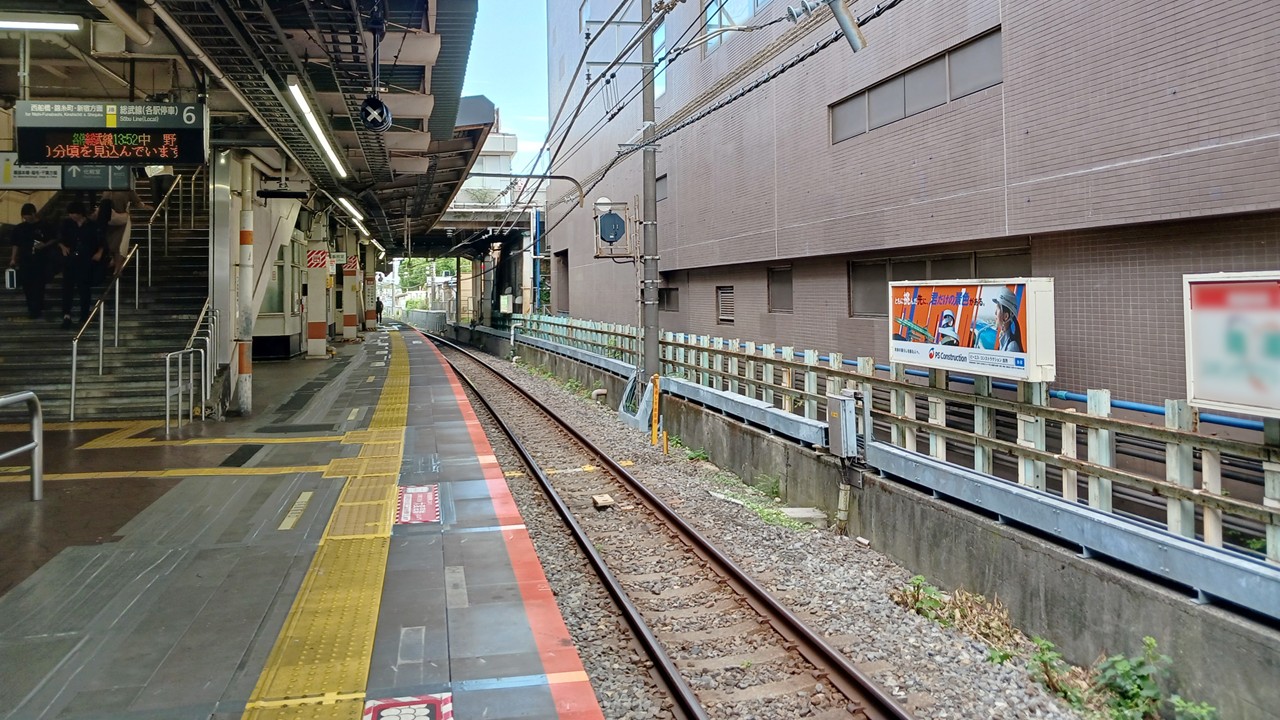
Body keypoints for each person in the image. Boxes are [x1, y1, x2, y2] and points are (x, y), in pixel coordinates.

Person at [58, 201, 107, 330]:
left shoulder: (92, 225)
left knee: (84, 288)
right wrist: (62, 246)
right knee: (67, 289)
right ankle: (66, 315)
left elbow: (101, 240)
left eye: (74, 214)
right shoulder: (67, 224)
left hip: (86, 260)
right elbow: (60, 238)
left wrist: (99, 252)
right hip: (70, 259)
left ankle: (84, 315)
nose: (72, 216)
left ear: (80, 213)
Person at [8, 202, 52, 319]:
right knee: (27, 285)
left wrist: (44, 245)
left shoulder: (44, 225)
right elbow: (15, 244)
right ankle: (32, 308)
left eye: (28, 216)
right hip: (25, 260)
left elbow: (53, 239)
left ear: (33, 214)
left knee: (38, 284)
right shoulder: (20, 228)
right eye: (24, 217)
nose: (26, 219)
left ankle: (36, 308)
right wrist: (13, 258)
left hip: (40, 260)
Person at [102, 183, 151, 276]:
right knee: (111, 243)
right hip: (109, 219)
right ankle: (114, 262)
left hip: (122, 219)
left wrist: (145, 206)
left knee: (121, 245)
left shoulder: (125, 188)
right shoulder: (107, 188)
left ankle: (118, 267)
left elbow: (137, 202)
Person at [993, 287, 1024, 352]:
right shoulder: (1003, 339)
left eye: (998, 309)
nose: (995, 312)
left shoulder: (1012, 346)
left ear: (1006, 316)